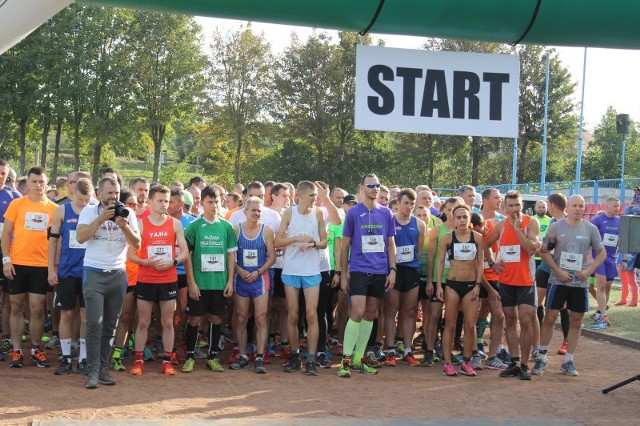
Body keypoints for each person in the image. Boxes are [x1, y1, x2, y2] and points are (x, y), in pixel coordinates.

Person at [76, 176, 141, 388]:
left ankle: (103, 369)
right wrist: (101, 219)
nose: (113, 197)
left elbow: (137, 244)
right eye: (109, 193)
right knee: (95, 322)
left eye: (116, 193)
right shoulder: (89, 210)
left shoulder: (128, 213)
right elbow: (81, 237)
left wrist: (124, 226)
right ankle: (92, 370)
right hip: (94, 272)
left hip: (118, 275)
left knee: (111, 325)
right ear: (99, 194)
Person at [535, 195, 606, 376]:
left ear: (585, 208)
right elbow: (543, 252)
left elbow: (602, 253)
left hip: (579, 283)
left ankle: (568, 360)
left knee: (576, 320)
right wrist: (558, 271)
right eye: (574, 205)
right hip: (558, 281)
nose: (578, 208)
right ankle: (541, 357)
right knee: (550, 317)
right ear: (568, 207)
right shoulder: (556, 227)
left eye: (581, 206)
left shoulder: (590, 229)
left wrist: (589, 270)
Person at [127, 185, 189, 376]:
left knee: (168, 322)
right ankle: (138, 362)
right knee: (144, 322)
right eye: (160, 201)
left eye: (167, 201)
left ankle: (167, 361)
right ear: (150, 202)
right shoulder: (140, 224)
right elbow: (129, 254)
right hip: (146, 278)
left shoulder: (175, 224)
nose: (164, 204)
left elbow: (185, 253)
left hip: (169, 279)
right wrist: (144, 261)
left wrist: (173, 261)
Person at [338, 173, 396, 378]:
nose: (375, 188)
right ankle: (345, 360)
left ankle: (359, 358)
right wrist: (343, 273)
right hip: (359, 270)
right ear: (362, 188)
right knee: (357, 311)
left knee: (370, 313)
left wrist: (393, 270)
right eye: (371, 185)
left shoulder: (387, 213)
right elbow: (344, 246)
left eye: (378, 185)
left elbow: (390, 244)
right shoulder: (353, 213)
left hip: (380, 271)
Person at [2, 166, 57, 369]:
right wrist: (6, 260)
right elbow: (5, 234)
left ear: (46, 182)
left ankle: (35, 348)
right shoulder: (17, 204)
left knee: (37, 309)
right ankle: (17, 351)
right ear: (28, 183)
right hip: (17, 263)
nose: (38, 185)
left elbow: (56, 240)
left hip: (41, 265)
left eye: (41, 182)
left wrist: (53, 267)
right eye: (34, 182)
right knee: (16, 306)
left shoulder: (53, 208)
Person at [484, 190, 540, 380]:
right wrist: (492, 263)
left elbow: (532, 249)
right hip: (506, 281)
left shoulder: (531, 223)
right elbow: (485, 245)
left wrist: (517, 229)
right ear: (504, 207)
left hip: (526, 281)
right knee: (510, 321)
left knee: (525, 320)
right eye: (510, 205)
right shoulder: (500, 225)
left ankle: (524, 364)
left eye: (517, 205)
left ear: (522, 205)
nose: (514, 209)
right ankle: (514, 362)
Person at [181, 185, 236, 373]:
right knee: (195, 319)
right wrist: (191, 282)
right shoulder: (194, 226)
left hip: (219, 283)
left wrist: (229, 281)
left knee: (215, 318)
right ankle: (189, 356)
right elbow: (186, 255)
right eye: (210, 202)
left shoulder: (227, 227)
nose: (214, 206)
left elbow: (231, 256)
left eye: (217, 202)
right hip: (199, 283)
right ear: (202, 203)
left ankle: (212, 357)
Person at [275, 180, 328, 376]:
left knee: (312, 314)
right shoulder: (289, 213)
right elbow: (277, 241)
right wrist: (296, 239)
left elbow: (324, 242)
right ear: (300, 196)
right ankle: (295, 355)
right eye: (312, 195)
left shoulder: (319, 213)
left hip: (312, 270)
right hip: (291, 269)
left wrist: (313, 243)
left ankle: (312, 359)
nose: (315, 199)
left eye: (316, 196)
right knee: (293, 314)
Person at [47, 177, 93, 375]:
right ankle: (66, 357)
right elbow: (52, 241)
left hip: (89, 271)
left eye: (87, 200)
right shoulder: (62, 210)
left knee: (85, 315)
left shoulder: (94, 210)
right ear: (73, 193)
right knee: (66, 314)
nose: (84, 204)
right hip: (66, 271)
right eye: (81, 200)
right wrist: (51, 269)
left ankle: (83, 358)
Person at [436, 205, 484, 376]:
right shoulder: (447, 238)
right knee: (449, 324)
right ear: (454, 219)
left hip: (471, 285)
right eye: (459, 217)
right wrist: (439, 286)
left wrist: (478, 284)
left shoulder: (477, 238)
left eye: (465, 217)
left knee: (470, 325)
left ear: (469, 218)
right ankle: (447, 362)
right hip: (452, 285)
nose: (462, 220)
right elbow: (440, 262)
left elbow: (480, 263)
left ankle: (466, 361)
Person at [230, 197, 276, 373]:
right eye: (253, 210)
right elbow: (230, 255)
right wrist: (239, 270)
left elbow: (272, 257)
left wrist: (258, 272)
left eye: (259, 211)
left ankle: (259, 356)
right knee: (241, 317)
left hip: (259, 280)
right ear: (245, 212)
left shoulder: (266, 231)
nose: (256, 214)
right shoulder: (235, 230)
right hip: (241, 279)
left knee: (261, 318)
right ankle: (242, 355)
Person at [383, 188, 425, 367]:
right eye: (406, 203)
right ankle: (390, 349)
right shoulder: (389, 220)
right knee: (391, 310)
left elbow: (420, 250)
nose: (408, 207)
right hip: (393, 270)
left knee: (409, 312)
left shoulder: (420, 224)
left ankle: (407, 350)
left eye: (412, 204)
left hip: (411, 271)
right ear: (398, 203)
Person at [423, 197, 463, 367]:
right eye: (449, 209)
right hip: (439, 279)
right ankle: (429, 351)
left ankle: (448, 350)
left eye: (456, 209)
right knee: (433, 315)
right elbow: (431, 257)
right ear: (444, 211)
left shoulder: (465, 231)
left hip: (458, 280)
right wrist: (430, 281)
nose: (452, 212)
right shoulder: (437, 231)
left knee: (452, 318)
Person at [0, 159, 21, 361]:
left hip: (7, 254)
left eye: (3, 173)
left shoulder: (14, 196)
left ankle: (6, 337)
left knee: (8, 298)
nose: (0, 176)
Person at [590, 197, 621, 329]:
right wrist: (589, 258)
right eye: (615, 206)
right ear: (607, 206)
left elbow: (622, 241)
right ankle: (603, 316)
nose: (617, 208)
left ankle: (600, 312)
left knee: (607, 286)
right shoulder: (597, 220)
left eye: (618, 206)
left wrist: (624, 259)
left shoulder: (620, 222)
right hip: (598, 256)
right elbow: (588, 238)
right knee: (601, 285)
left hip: (611, 258)